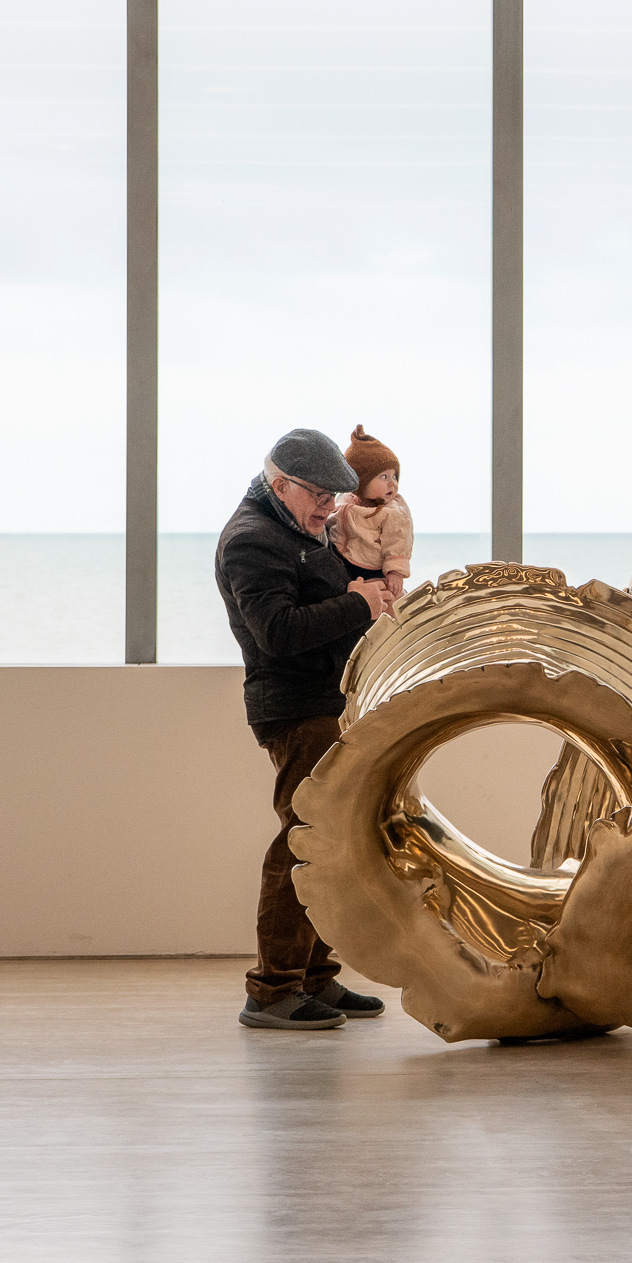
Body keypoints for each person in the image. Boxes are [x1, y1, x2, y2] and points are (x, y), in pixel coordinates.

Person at [217, 428, 395, 1030]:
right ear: (280, 484)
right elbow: (278, 632)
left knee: (328, 839)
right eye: (318, 495)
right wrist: (359, 603)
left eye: (333, 496)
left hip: (325, 702)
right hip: (295, 709)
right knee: (303, 840)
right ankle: (271, 991)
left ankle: (314, 978)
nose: (328, 508)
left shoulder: (298, 527)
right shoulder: (252, 539)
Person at [329, 424, 414, 603]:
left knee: (386, 600)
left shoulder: (393, 511)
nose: (392, 483)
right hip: (342, 563)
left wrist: (395, 572)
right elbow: (330, 521)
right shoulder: (345, 500)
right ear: (359, 481)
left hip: (373, 570)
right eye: (384, 477)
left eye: (395, 476)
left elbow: (399, 542)